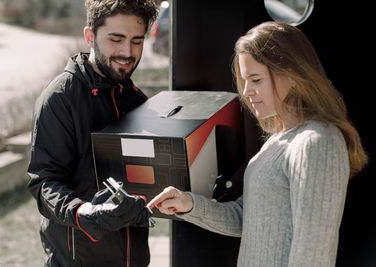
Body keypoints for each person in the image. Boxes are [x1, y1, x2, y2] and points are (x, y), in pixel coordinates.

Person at [148, 21, 368, 267]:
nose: (247, 91)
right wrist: (190, 204)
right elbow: (248, 219)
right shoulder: (278, 140)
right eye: (244, 81)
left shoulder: (317, 142)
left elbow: (313, 252)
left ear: (292, 75)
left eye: (256, 80)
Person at [27, 0, 158, 266]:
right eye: (116, 39)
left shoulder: (138, 101)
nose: (127, 51)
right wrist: (84, 210)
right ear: (90, 36)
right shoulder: (61, 98)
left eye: (137, 41)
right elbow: (44, 182)